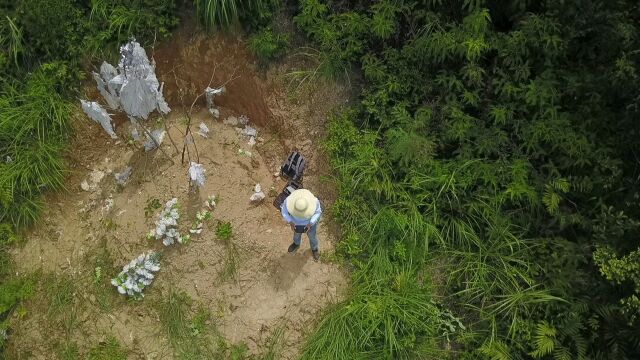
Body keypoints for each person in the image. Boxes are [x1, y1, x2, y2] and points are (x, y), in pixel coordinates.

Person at [280, 189, 322, 261]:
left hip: (310, 224)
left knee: (312, 237)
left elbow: (318, 212)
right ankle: (296, 244)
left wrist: (311, 223)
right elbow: (284, 211)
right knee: (296, 235)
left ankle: (314, 249)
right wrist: (290, 222)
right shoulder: (288, 200)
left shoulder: (315, 201)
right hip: (295, 224)